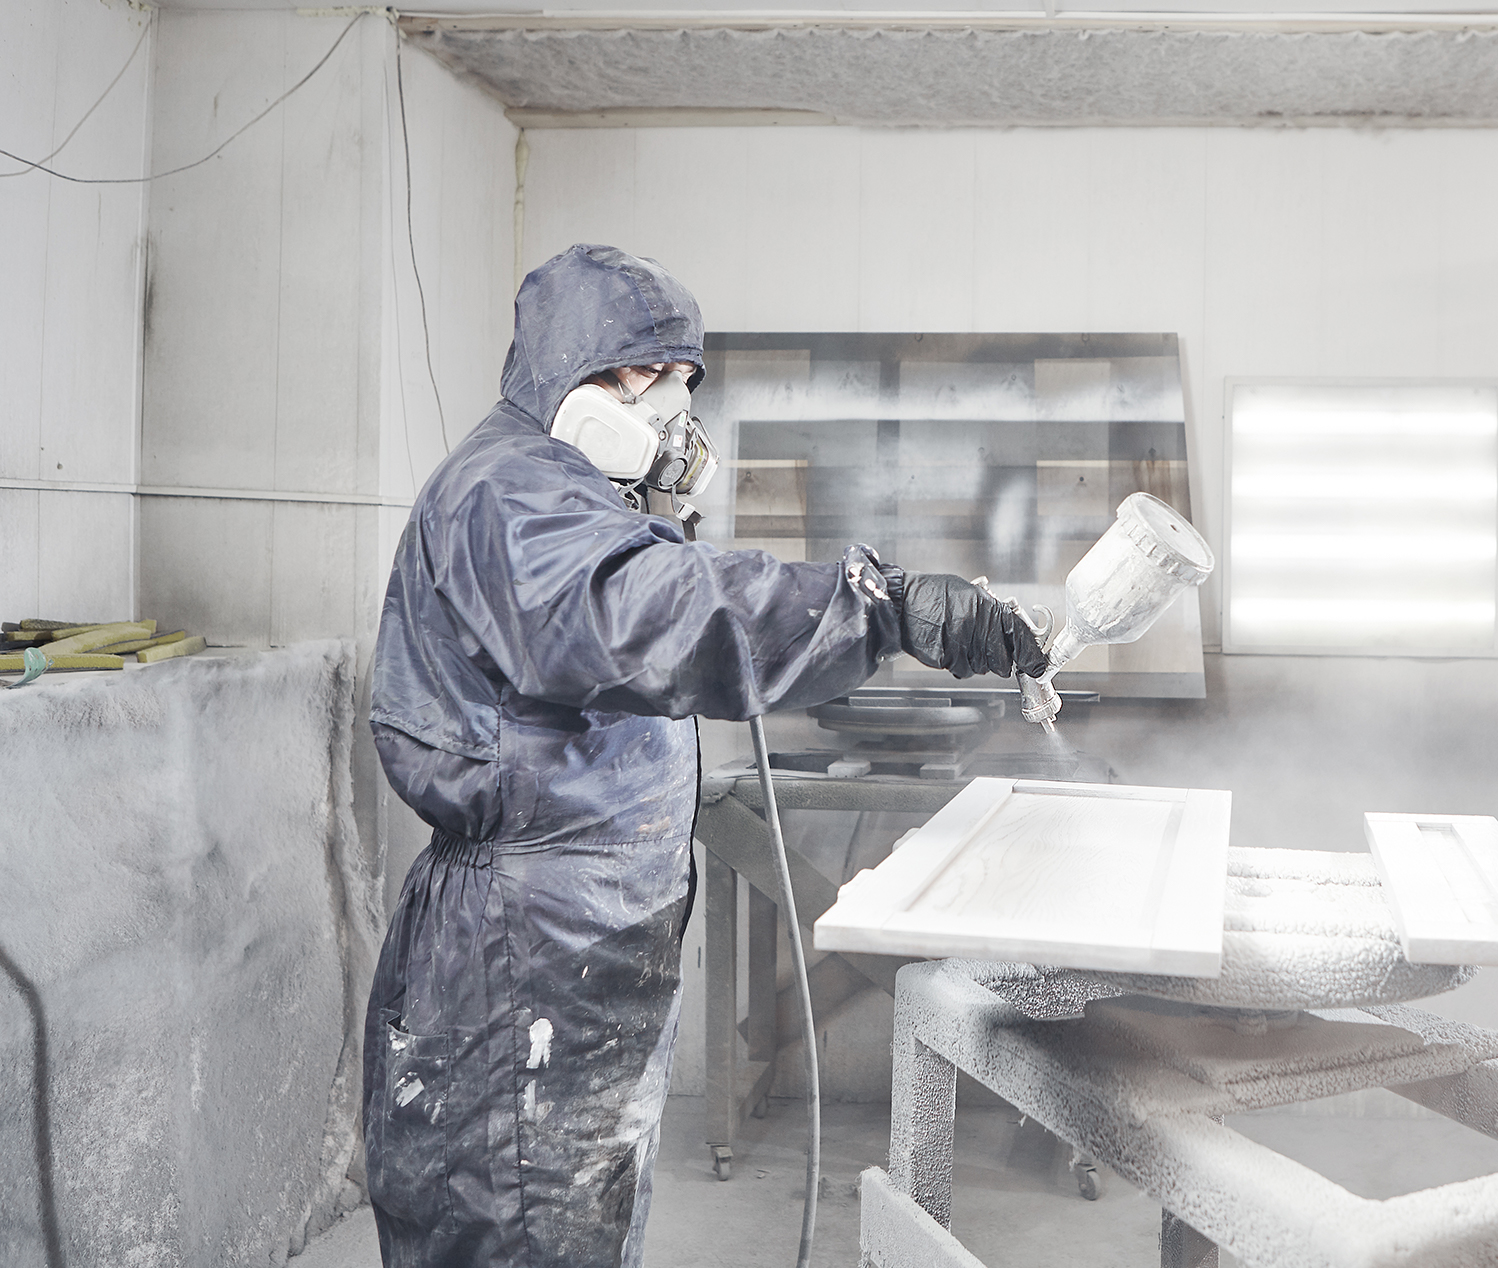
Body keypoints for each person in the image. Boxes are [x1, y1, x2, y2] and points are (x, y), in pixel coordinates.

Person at [362, 244, 1048, 1268]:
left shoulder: (569, 499)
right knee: (516, 1218)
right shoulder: (510, 491)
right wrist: (879, 608)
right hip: (524, 949)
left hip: (570, 938)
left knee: (571, 1218)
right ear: (595, 379)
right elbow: (648, 613)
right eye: (663, 385)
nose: (677, 422)